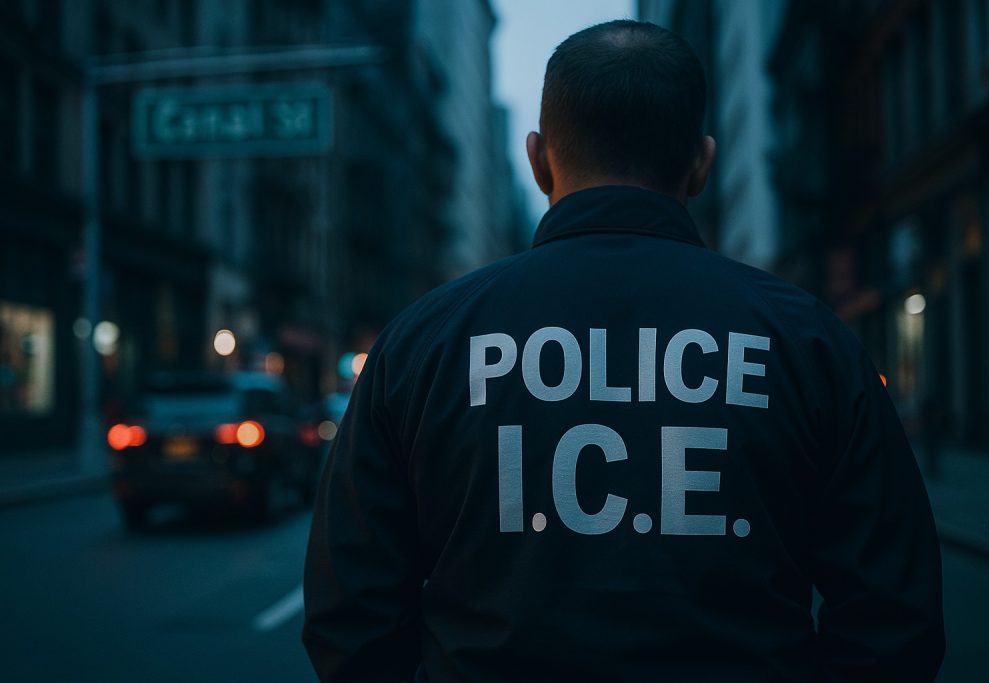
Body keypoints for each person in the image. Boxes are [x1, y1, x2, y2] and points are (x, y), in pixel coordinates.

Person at [303, 20, 944, 682]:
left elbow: (351, 611)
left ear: (538, 158)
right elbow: (892, 614)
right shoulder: (808, 341)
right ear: (701, 162)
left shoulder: (424, 342)